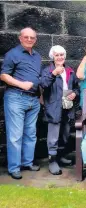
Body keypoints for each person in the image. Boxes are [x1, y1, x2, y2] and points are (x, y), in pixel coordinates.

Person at [0, 27, 41, 179]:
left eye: (32, 37)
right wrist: (21, 84)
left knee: (31, 133)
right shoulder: (13, 54)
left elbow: (37, 77)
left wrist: (40, 96)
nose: (29, 39)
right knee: (15, 135)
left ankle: (27, 162)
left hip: (34, 99)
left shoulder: (37, 56)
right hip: (16, 97)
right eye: (26, 37)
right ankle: (14, 167)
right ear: (20, 38)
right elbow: (4, 75)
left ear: (35, 40)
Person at [41, 45, 79, 175]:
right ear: (53, 57)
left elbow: (76, 87)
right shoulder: (48, 70)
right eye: (57, 55)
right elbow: (44, 84)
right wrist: (53, 74)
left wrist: (75, 93)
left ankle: (60, 156)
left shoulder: (70, 70)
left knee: (65, 134)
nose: (60, 57)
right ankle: (52, 161)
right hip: (53, 107)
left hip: (67, 106)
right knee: (53, 137)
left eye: (62, 55)